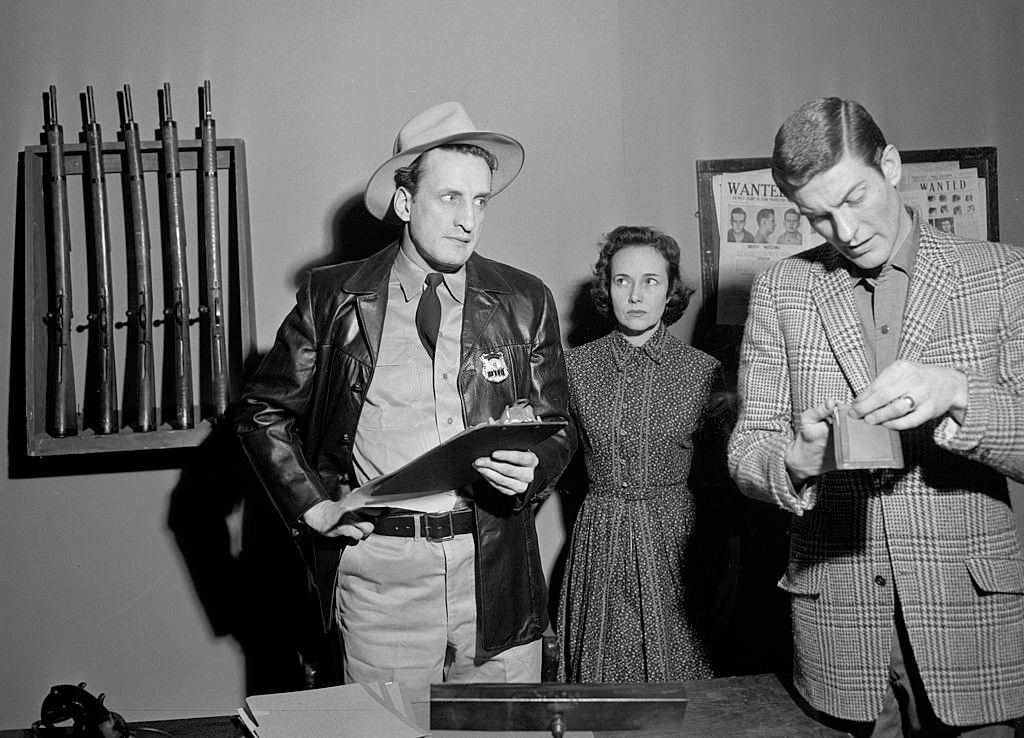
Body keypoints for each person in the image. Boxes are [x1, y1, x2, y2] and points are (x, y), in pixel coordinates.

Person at [235, 101, 576, 700]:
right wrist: (315, 509)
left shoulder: (526, 300)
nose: (468, 220)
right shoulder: (333, 297)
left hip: (495, 579)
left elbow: (559, 427)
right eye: (450, 198)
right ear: (403, 202)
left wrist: (534, 469)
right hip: (381, 587)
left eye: (481, 201)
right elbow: (263, 413)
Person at [728, 97, 1024, 735]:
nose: (846, 230)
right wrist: (794, 461)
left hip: (971, 621)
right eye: (819, 217)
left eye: (855, 198)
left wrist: (959, 393)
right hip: (841, 628)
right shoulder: (784, 288)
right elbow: (746, 447)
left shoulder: (1004, 275)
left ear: (890, 165)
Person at [557, 225, 736, 683]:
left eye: (650, 281)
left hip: (675, 542)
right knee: (601, 688)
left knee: (678, 685)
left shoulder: (702, 372)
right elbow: (550, 461)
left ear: (671, 289)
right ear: (607, 288)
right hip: (601, 534)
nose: (635, 295)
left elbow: (723, 487)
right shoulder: (574, 367)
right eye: (622, 281)